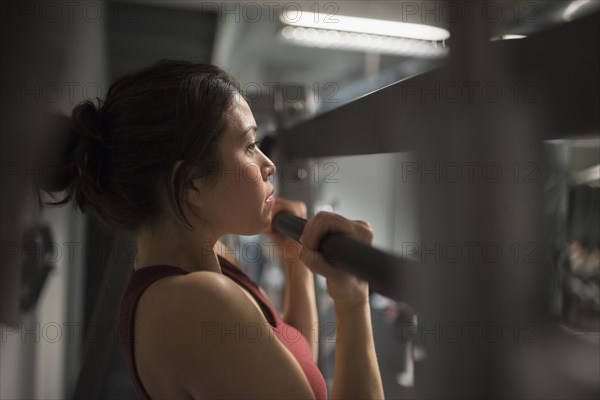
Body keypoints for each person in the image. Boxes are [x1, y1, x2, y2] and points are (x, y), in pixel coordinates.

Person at [37, 60, 384, 399]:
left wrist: (294, 261)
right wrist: (352, 301)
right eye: (249, 146)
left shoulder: (206, 259)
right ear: (192, 185)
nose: (269, 164)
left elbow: (293, 356)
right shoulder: (197, 301)